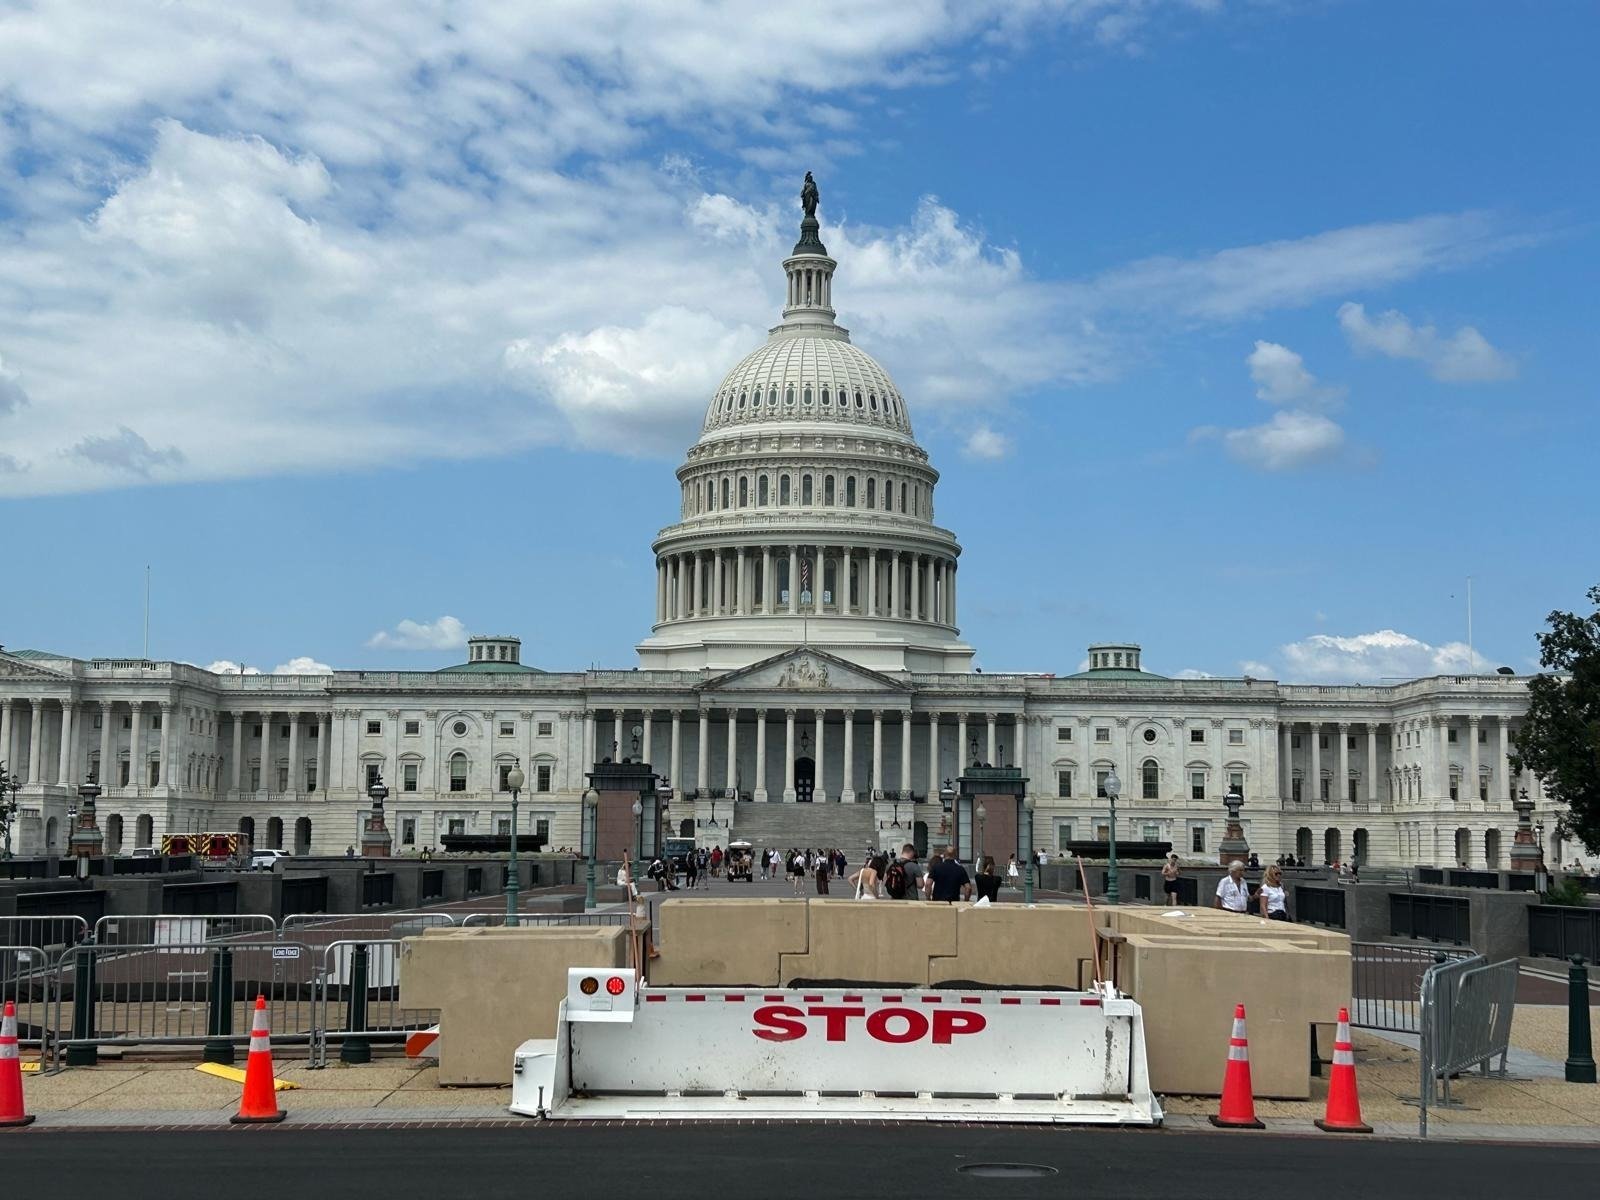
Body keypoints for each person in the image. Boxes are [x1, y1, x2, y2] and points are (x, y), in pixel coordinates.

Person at [617, 860, 660, 961]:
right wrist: (629, 880)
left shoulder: (625, 871)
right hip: (621, 882)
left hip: (624, 881)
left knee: (632, 884)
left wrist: (629, 879)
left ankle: (635, 895)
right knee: (631, 884)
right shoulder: (621, 871)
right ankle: (635, 895)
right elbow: (623, 879)